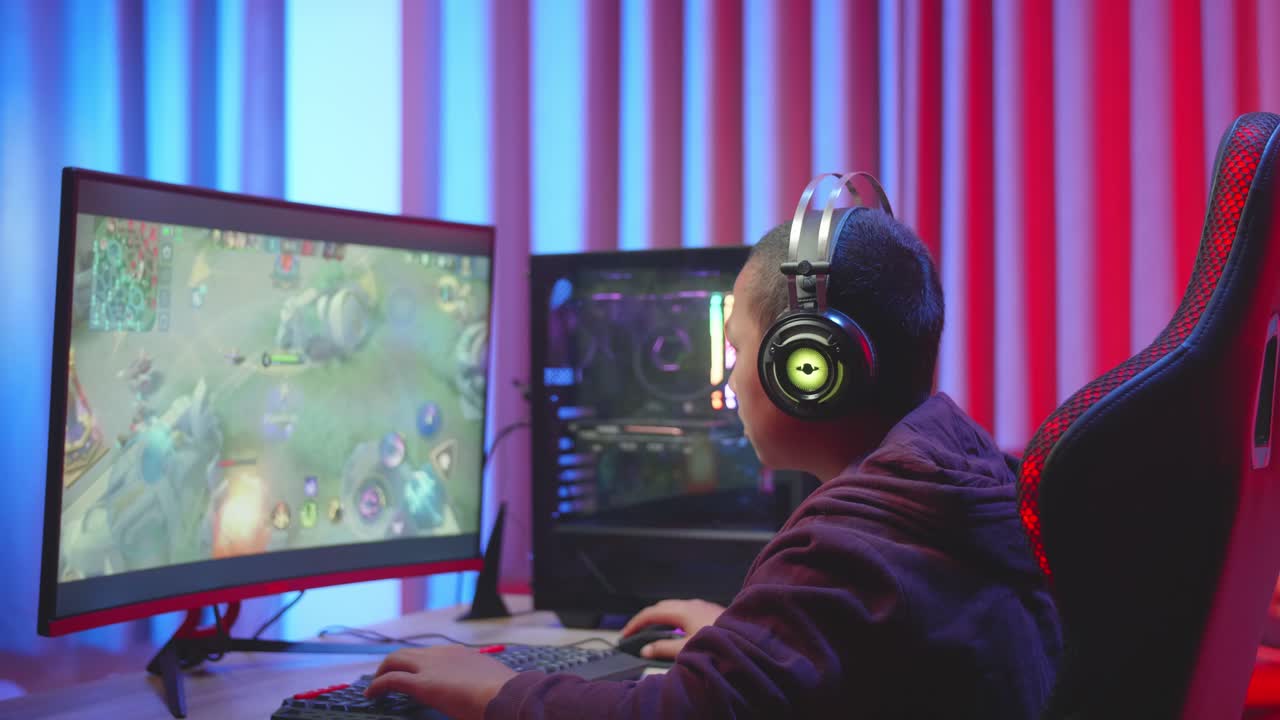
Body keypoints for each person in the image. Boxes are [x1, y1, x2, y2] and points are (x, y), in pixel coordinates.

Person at [365, 200, 1062, 719]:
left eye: (736, 352)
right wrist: (751, 640)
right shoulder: (963, 485)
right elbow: (873, 658)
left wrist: (497, 689)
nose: (727, 383)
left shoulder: (848, 547)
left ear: (809, 365)